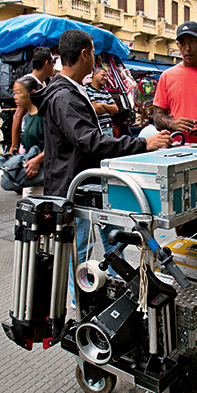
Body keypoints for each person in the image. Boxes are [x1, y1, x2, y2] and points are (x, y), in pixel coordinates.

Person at [31, 29, 171, 300]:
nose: (96, 58)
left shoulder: (70, 90)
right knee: (79, 247)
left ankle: (118, 283)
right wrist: (142, 144)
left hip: (89, 183)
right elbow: (90, 141)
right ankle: (78, 298)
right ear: (84, 53)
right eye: (94, 52)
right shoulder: (63, 96)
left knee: (110, 236)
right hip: (74, 187)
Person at [10, 47, 55, 153]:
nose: (53, 66)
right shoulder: (28, 83)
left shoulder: (43, 83)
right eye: (52, 62)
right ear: (46, 63)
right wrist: (14, 145)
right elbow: (18, 115)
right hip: (30, 138)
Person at [11, 75, 45, 196]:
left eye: (19, 92)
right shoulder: (27, 116)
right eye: (14, 93)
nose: (15, 97)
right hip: (32, 175)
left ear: (32, 93)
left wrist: (38, 159)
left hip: (43, 176)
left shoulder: (42, 116)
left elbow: (55, 144)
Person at [85, 68, 119, 135]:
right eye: (103, 75)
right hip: (98, 130)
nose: (105, 78)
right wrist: (108, 108)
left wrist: (102, 105)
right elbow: (96, 109)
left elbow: (115, 109)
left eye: (106, 76)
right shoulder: (87, 90)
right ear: (95, 75)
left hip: (109, 128)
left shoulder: (105, 92)